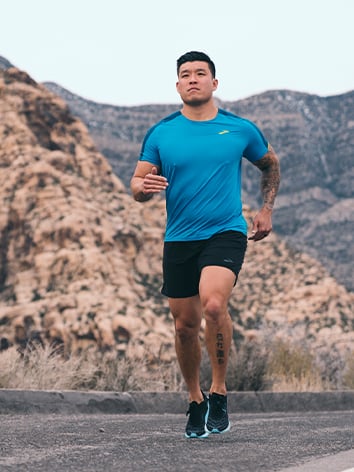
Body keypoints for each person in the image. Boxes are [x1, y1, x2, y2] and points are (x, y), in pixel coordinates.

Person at [130, 51, 280, 438]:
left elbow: (269, 164)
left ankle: (219, 390)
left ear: (215, 83)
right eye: (185, 74)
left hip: (225, 231)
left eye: (201, 73)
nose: (192, 79)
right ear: (177, 85)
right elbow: (137, 184)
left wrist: (265, 209)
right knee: (184, 326)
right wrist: (142, 189)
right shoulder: (162, 132)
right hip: (179, 237)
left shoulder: (239, 128)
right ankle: (195, 399)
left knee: (214, 304)